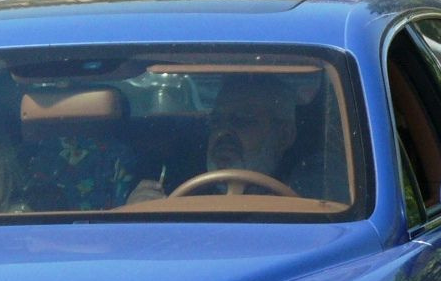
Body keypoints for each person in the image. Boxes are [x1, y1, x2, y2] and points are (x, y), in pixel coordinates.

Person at [127, 75, 309, 202]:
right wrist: (137, 214)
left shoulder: (315, 192)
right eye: (216, 121)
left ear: (284, 135)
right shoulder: (173, 188)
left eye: (242, 120)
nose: (223, 133)